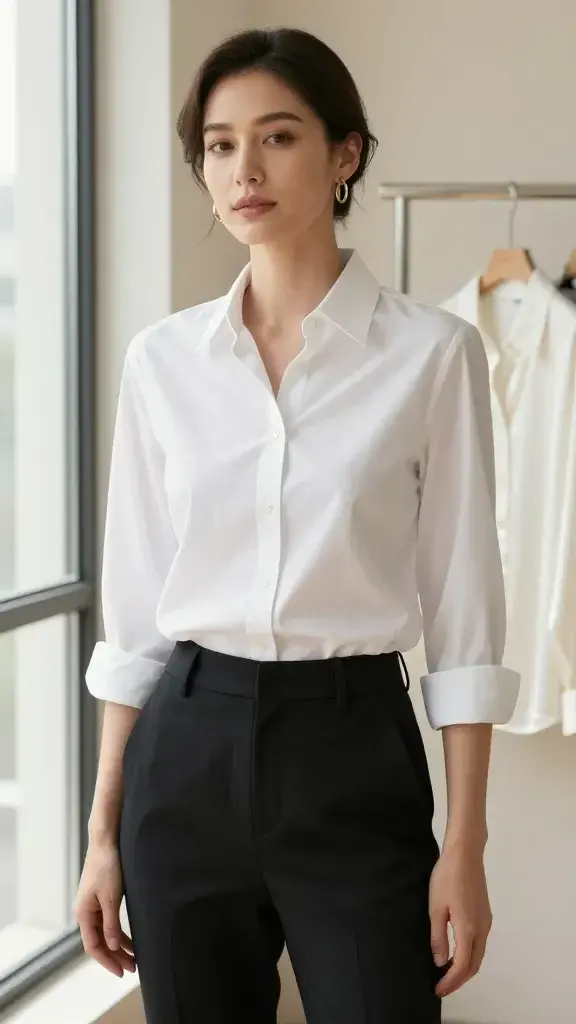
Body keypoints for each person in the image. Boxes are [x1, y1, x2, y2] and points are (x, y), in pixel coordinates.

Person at [74, 26, 520, 1024]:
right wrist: (102, 833)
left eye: (277, 136)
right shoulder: (163, 362)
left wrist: (467, 845)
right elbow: (136, 619)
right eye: (220, 145)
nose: (244, 169)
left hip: (352, 749)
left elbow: (464, 616)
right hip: (182, 753)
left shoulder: (433, 356)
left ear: (345, 153)